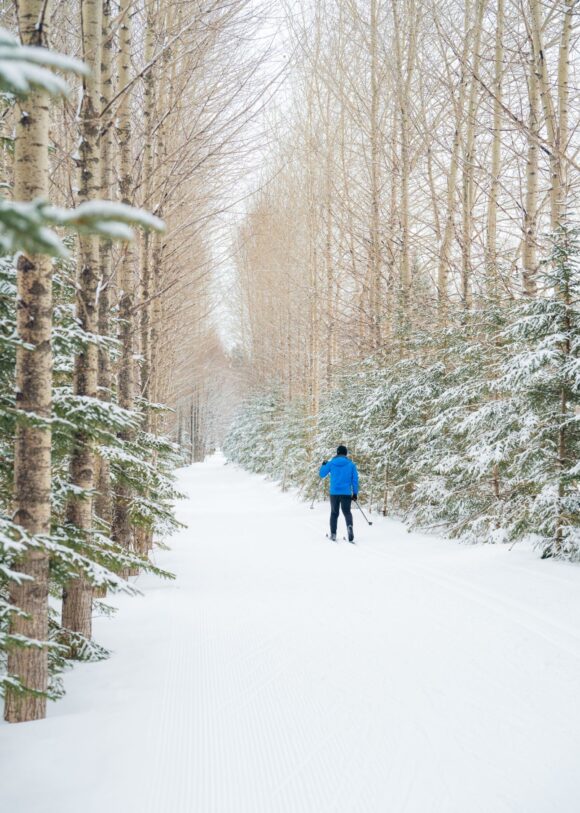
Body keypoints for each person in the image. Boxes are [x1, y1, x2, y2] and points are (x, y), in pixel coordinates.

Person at [319, 445, 359, 543]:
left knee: (334, 513)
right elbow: (355, 480)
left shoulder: (331, 463)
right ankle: (349, 527)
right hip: (346, 493)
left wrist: (324, 465)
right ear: (345, 453)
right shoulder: (351, 464)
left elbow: (322, 474)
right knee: (347, 512)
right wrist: (355, 493)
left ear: (337, 453)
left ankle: (333, 534)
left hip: (334, 493)